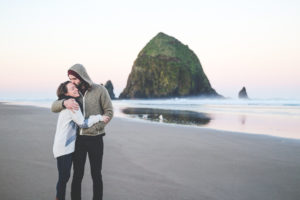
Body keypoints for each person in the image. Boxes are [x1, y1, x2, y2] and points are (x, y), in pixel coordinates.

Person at [51, 64, 113, 200]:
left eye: (74, 78)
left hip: (96, 138)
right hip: (78, 140)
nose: (72, 82)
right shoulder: (72, 92)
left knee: (96, 174)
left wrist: (96, 128)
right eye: (70, 79)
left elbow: (109, 112)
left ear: (82, 76)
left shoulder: (100, 90)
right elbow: (54, 106)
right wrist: (64, 103)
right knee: (77, 175)